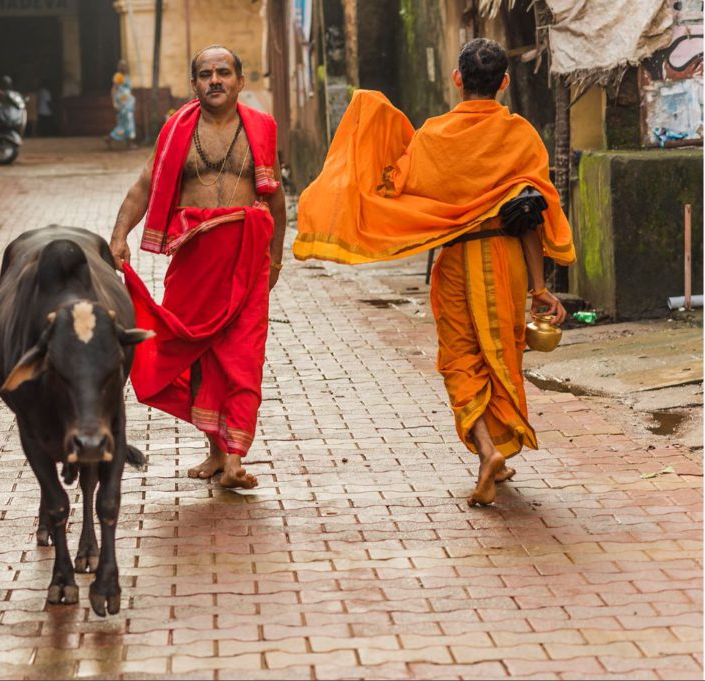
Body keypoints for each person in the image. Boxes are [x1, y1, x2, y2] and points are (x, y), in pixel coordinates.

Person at [293, 38, 576, 507]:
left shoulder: (431, 137)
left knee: (460, 358)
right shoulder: (522, 135)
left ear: (457, 79)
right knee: (501, 354)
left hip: (455, 263)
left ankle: (488, 451)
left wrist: (376, 127)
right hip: (505, 260)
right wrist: (540, 287)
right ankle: (498, 452)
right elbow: (531, 214)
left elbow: (396, 188)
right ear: (504, 83)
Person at [110, 45, 287, 489]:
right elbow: (144, 186)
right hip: (193, 263)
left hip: (247, 258)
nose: (215, 81)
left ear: (240, 81)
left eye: (224, 72)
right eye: (206, 74)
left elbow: (277, 198)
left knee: (244, 356)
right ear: (194, 85)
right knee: (197, 355)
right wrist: (118, 235)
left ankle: (234, 459)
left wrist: (277, 254)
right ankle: (214, 450)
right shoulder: (176, 131)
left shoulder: (261, 128)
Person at [108, 61, 137, 148]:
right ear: (119, 67)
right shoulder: (118, 77)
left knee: (129, 122)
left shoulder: (127, 77)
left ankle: (127, 142)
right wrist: (114, 103)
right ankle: (113, 137)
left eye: (125, 66)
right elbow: (114, 90)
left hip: (128, 104)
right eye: (122, 66)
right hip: (122, 105)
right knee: (126, 123)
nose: (124, 68)